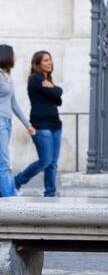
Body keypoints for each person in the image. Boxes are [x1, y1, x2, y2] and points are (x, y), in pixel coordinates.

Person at [15, 51, 63, 197]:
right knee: (45, 160)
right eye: (46, 60)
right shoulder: (35, 79)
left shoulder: (48, 80)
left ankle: (50, 193)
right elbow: (56, 94)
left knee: (53, 163)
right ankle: (17, 181)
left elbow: (58, 98)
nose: (50, 62)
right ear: (38, 64)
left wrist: (52, 89)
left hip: (55, 125)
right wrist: (53, 91)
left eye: (50, 59)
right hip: (41, 125)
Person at [0, 44, 35, 197]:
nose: (15, 57)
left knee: (3, 160)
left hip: (7, 122)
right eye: (13, 55)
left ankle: (5, 193)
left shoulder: (7, 77)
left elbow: (14, 104)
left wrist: (27, 125)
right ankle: (10, 195)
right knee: (4, 162)